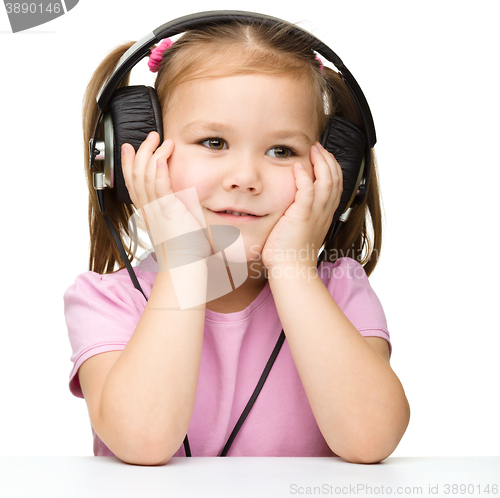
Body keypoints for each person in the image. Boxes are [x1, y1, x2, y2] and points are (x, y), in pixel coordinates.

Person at [64, 14, 410, 466]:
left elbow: (371, 440)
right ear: (137, 149)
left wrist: (292, 267)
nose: (245, 178)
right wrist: (184, 264)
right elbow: (143, 442)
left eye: (281, 151)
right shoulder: (107, 302)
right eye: (213, 142)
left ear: (339, 174)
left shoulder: (339, 290)